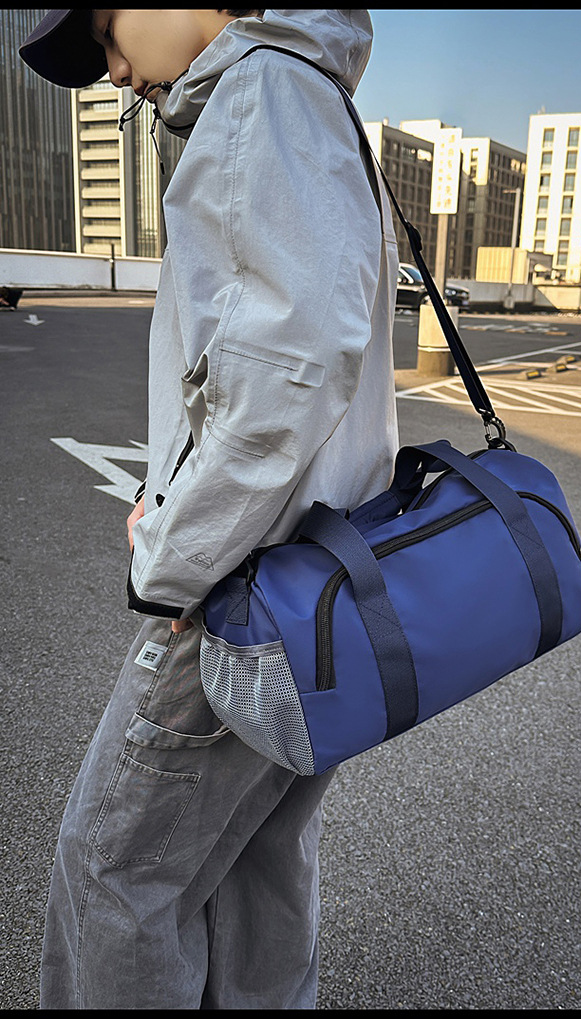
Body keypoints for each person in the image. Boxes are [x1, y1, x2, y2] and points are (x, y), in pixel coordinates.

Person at [19, 9, 399, 1010]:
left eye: (103, 30)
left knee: (115, 871)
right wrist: (169, 492)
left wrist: (171, 553)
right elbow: (285, 362)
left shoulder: (261, 91)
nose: (110, 70)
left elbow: (283, 374)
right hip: (314, 577)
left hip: (243, 588)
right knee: (254, 863)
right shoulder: (313, 92)